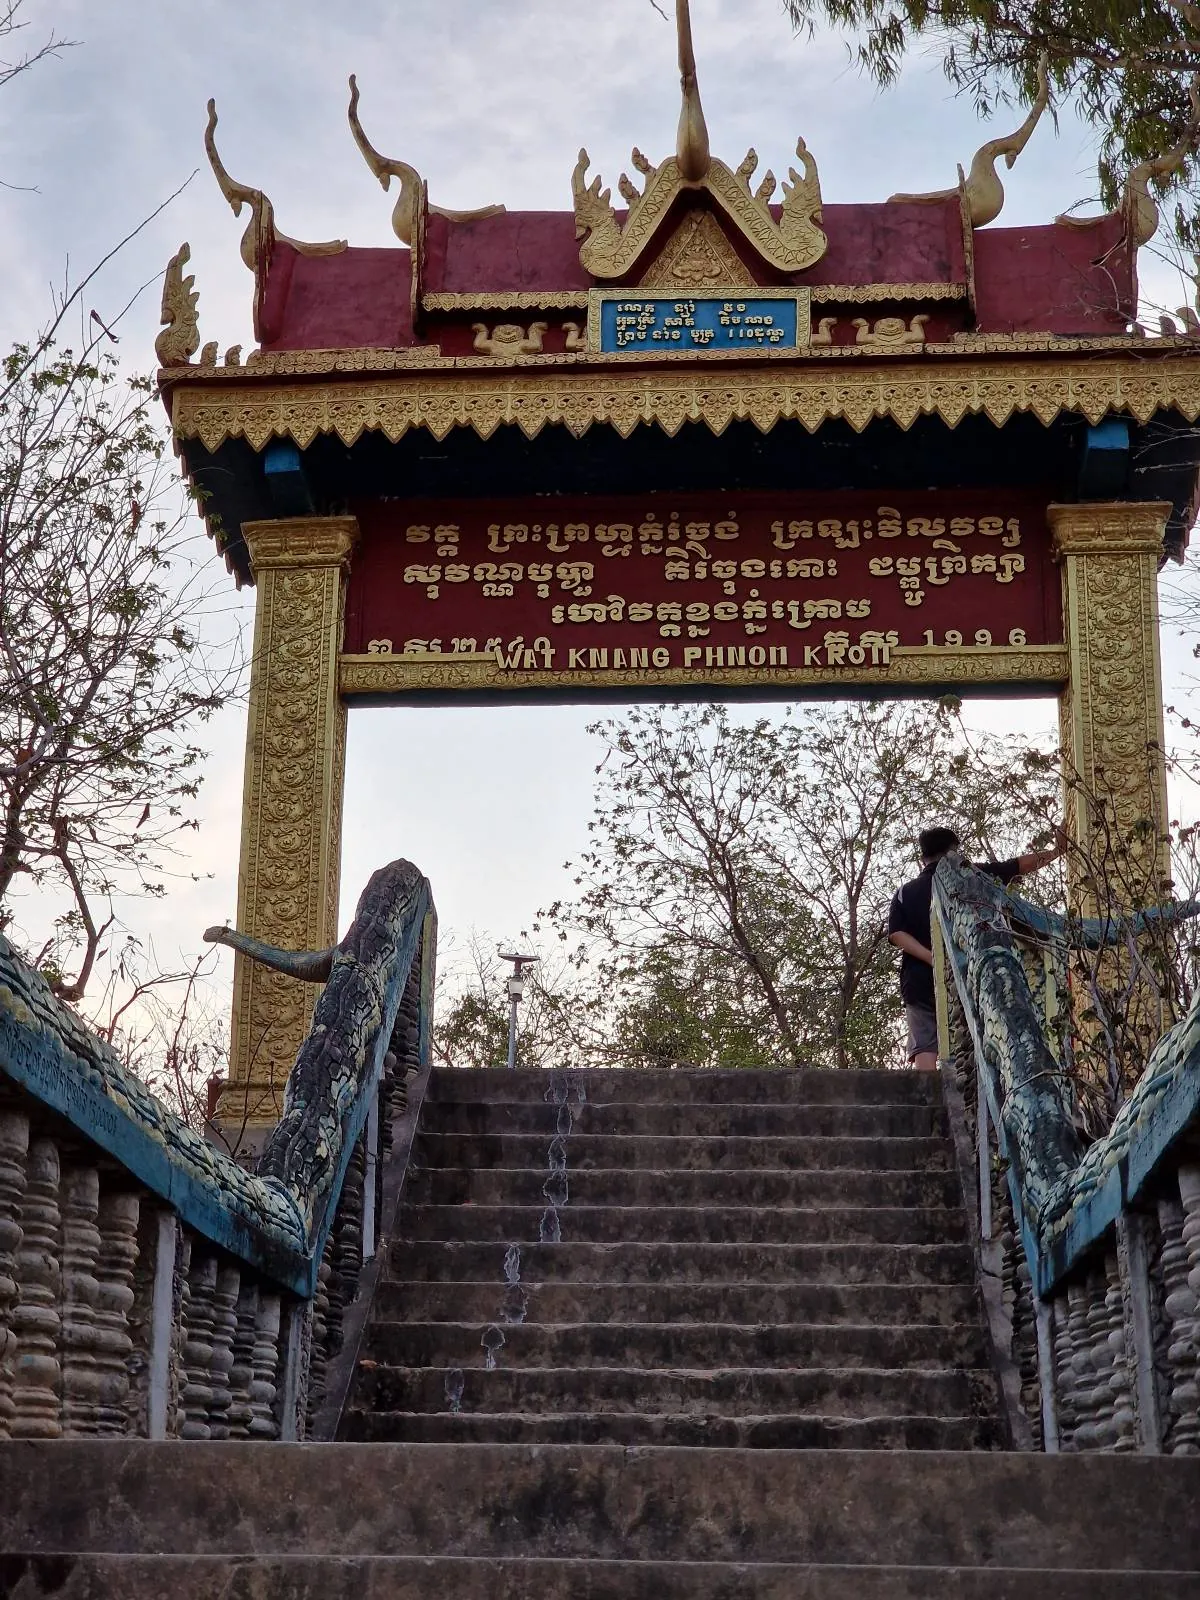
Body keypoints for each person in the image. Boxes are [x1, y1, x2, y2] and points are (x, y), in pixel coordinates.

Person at [888, 825, 1066, 1071]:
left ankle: (928, 1098)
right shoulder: (974, 877)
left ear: (923, 857)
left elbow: (897, 934)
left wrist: (933, 959)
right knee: (974, 1036)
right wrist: (1058, 851)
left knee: (925, 1041)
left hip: (919, 979)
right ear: (954, 851)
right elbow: (1015, 866)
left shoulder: (904, 893)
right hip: (968, 973)